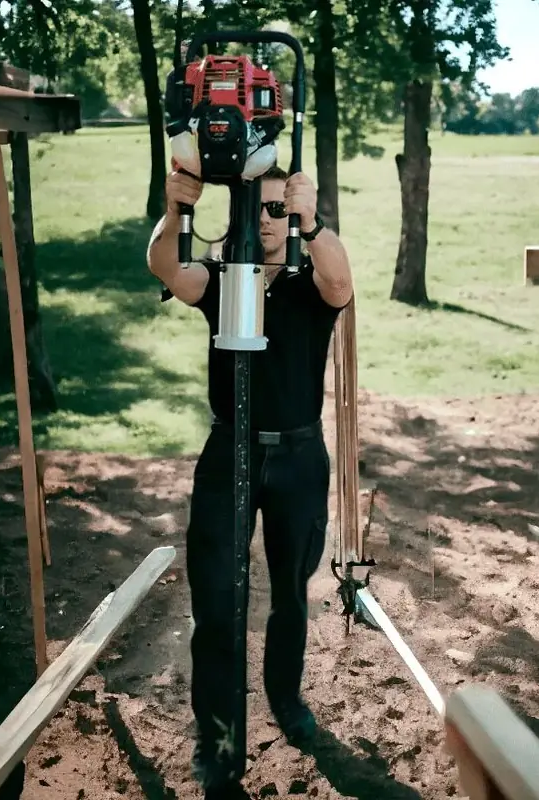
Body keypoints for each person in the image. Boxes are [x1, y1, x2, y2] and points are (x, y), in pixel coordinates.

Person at [147, 162, 353, 799]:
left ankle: (286, 701)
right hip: (227, 456)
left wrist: (312, 224)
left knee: (291, 593)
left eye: (276, 208)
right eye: (253, 207)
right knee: (216, 603)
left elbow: (341, 281)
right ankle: (218, 745)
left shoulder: (309, 279)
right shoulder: (221, 277)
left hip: (298, 458)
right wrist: (175, 210)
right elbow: (165, 267)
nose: (264, 221)